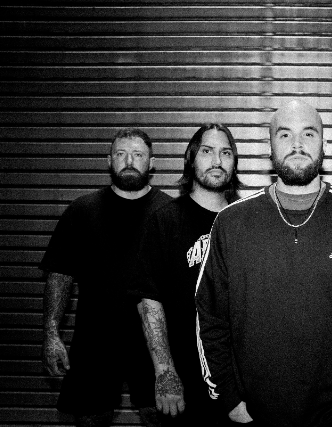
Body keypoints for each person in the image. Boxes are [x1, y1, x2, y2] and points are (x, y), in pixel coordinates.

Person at [195, 100, 332, 427]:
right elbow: (209, 316)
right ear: (270, 146)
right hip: (253, 418)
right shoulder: (231, 222)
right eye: (285, 134)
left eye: (309, 134)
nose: (297, 144)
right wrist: (229, 399)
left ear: (324, 145)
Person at [40, 128, 172, 426]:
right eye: (121, 154)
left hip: (154, 344)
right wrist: (51, 334)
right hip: (95, 342)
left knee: (162, 419)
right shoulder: (81, 211)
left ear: (152, 163)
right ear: (109, 160)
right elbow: (59, 276)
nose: (129, 161)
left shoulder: (170, 213)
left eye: (138, 155)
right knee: (90, 420)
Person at [132, 124, 241, 426]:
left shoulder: (245, 222)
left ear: (234, 163)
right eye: (207, 151)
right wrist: (165, 371)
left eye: (226, 153)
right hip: (183, 385)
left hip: (237, 386)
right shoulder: (165, 220)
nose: (217, 161)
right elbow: (148, 302)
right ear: (192, 159)